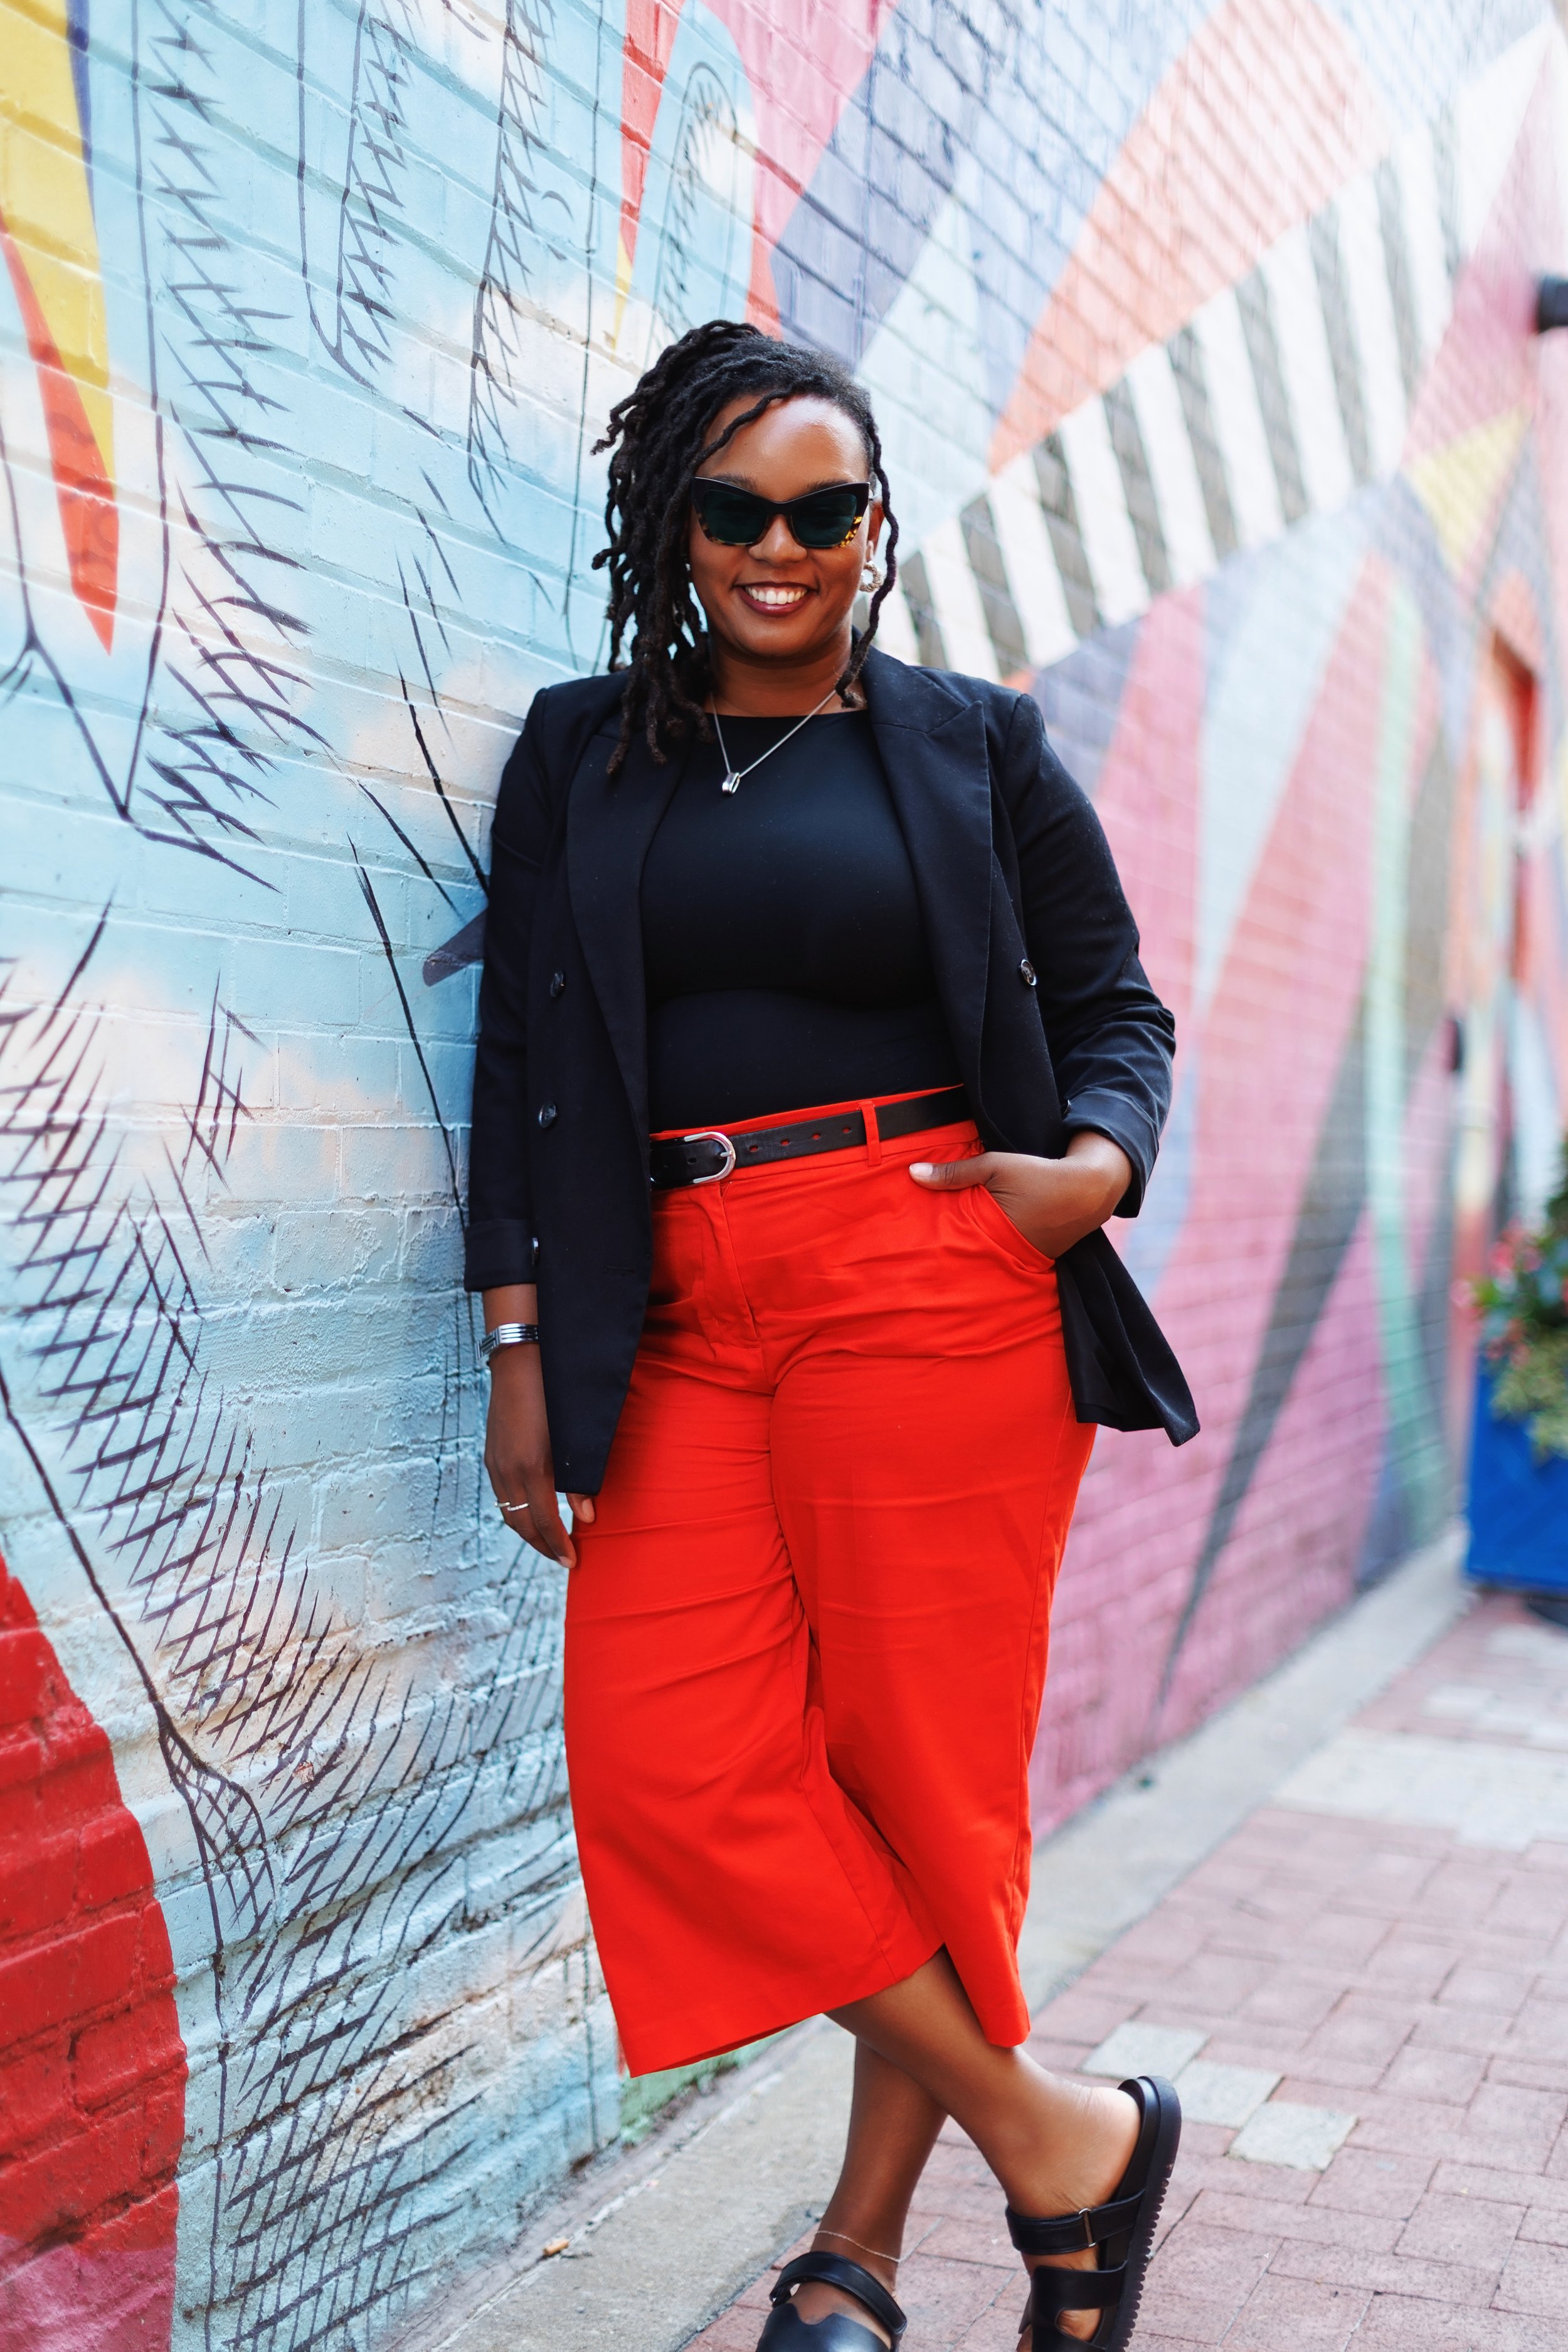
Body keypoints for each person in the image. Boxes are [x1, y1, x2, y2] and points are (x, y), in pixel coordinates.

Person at [466, 319, 1197, 2352]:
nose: (778, 546)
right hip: (679, 1299)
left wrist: (1095, 1168)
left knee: (920, 1782)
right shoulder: (579, 753)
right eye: (734, 509)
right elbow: (519, 1046)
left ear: (871, 529)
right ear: (672, 524)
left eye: (822, 510)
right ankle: (1066, 2149)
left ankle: (854, 2261)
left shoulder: (972, 743)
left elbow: (1114, 1007)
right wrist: (520, 1334)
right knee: (662, 1755)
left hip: (931, 1277)